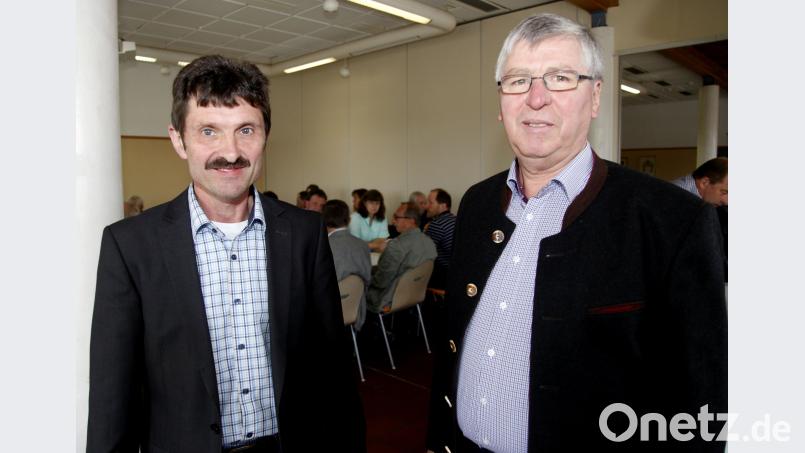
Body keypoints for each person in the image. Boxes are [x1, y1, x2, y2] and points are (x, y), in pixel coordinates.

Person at [427, 13, 726, 453]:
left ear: (595, 96)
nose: (536, 98)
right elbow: (453, 343)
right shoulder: (477, 203)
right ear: (501, 102)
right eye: (518, 81)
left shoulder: (673, 220)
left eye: (561, 78)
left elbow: (701, 400)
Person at [88, 55, 365, 453]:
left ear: (266, 135)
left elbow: (333, 368)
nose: (231, 152)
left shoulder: (304, 233)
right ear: (178, 140)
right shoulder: (130, 245)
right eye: (209, 131)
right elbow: (112, 395)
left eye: (245, 130)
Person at [367, 202, 437, 313]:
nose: (393, 221)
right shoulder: (429, 242)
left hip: (387, 299)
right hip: (414, 295)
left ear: (411, 221)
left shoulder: (396, 246)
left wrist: (363, 279)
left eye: (396, 217)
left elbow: (381, 282)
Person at [323, 199, 372, 330]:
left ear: (323, 220)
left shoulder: (323, 247)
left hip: (327, 312)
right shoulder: (362, 245)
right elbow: (368, 280)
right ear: (348, 219)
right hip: (356, 308)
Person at [423, 188, 456, 290]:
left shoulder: (437, 224)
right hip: (455, 275)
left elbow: (423, 252)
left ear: (443, 205)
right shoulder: (456, 220)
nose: (427, 206)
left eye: (431, 203)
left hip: (443, 277)